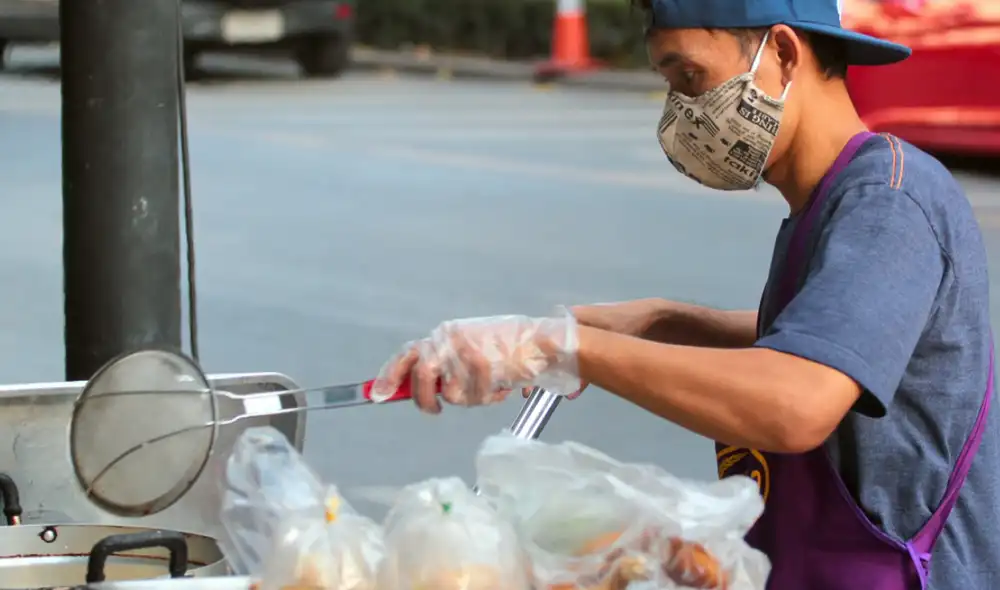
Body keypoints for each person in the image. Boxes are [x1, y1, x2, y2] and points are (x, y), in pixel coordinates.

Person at [370, 0, 1000, 587]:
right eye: (670, 84)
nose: (681, 112)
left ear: (784, 53)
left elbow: (796, 402)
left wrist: (563, 346)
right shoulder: (834, 198)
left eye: (691, 77)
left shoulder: (887, 202)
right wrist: (656, 323)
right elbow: (835, 335)